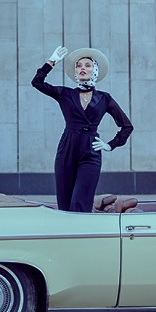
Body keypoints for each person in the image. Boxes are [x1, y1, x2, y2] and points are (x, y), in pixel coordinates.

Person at [31, 46, 133, 212]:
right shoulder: (65, 93)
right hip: (67, 149)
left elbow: (127, 126)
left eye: (87, 65)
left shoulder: (104, 98)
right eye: (78, 66)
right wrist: (51, 62)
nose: (82, 68)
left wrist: (110, 145)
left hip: (91, 152)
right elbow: (37, 83)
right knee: (65, 205)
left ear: (95, 71)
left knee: (80, 202)